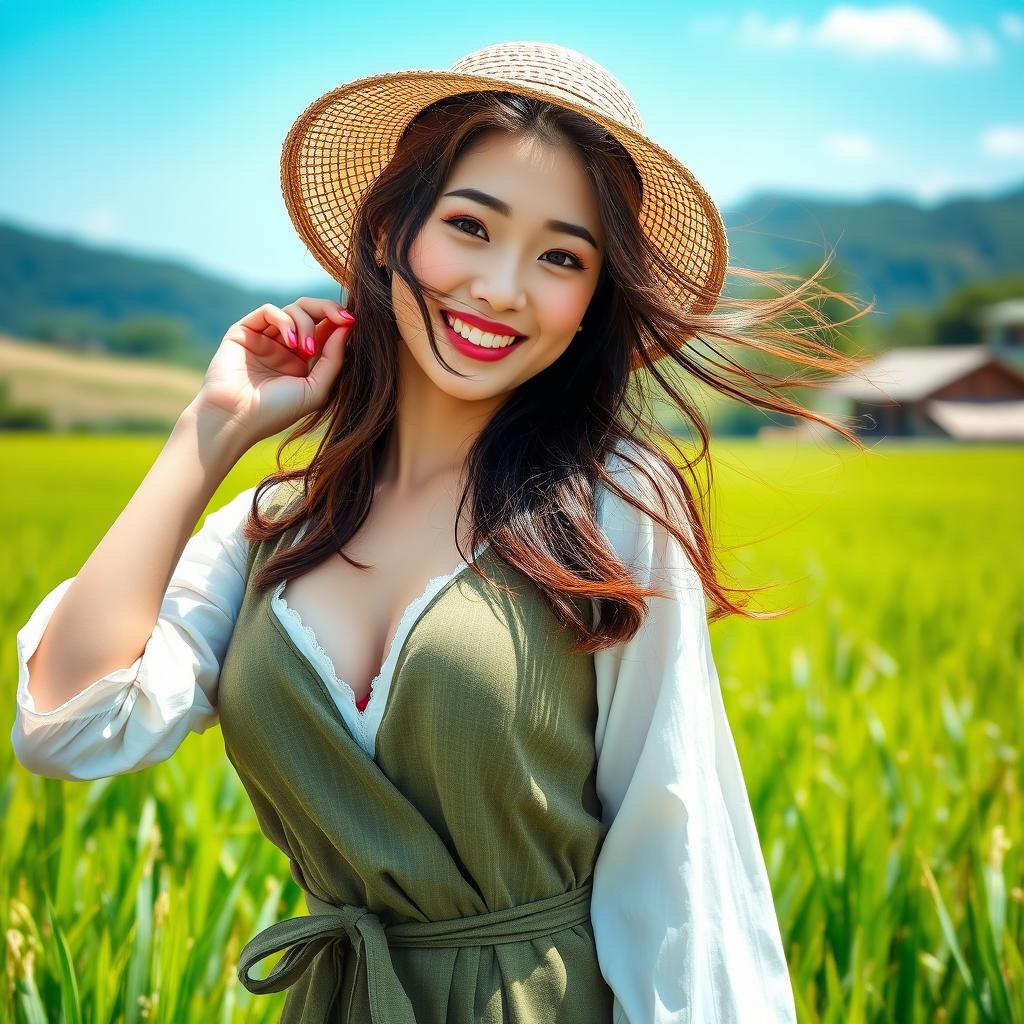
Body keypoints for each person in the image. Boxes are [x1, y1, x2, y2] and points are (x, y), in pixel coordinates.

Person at [12, 41, 871, 1024]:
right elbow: (71, 724)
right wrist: (207, 435)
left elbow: (679, 856)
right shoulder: (272, 529)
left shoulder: (610, 506)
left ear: (592, 299)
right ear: (387, 231)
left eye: (560, 256)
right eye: (469, 225)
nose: (502, 288)